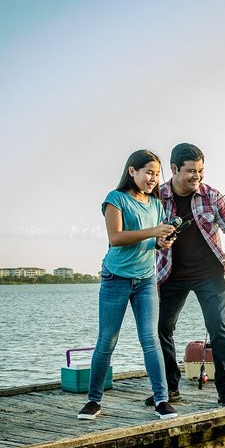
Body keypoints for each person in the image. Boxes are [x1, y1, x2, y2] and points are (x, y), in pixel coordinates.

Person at [78, 150, 178, 420]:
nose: (153, 179)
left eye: (157, 175)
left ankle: (161, 400)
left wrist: (161, 241)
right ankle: (93, 401)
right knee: (107, 340)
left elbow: (151, 241)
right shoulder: (116, 199)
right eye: (148, 172)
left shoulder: (156, 205)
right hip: (116, 277)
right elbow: (116, 237)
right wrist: (153, 232)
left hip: (146, 279)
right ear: (132, 171)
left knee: (150, 338)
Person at [145, 142, 225, 408]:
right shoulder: (156, 197)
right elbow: (144, 233)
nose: (197, 176)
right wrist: (157, 240)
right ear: (174, 169)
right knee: (161, 329)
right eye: (191, 171)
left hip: (209, 273)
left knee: (218, 328)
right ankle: (169, 388)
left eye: (200, 171)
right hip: (170, 275)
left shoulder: (212, 196)